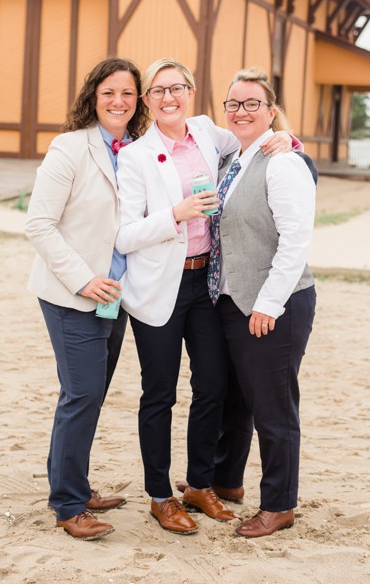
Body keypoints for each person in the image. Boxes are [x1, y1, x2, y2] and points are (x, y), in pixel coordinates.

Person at [114, 58, 294, 535]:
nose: (167, 98)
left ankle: (198, 484)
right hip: (160, 287)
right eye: (157, 91)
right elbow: (125, 234)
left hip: (206, 284)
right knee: (159, 392)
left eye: (176, 88)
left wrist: (288, 140)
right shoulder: (134, 156)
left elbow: (260, 138)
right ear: (147, 100)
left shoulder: (210, 134)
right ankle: (159, 495)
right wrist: (176, 213)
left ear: (190, 92)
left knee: (213, 385)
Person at [24, 57, 151, 540]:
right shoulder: (69, 148)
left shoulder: (138, 150)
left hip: (117, 297)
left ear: (138, 100)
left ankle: (73, 482)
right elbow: (38, 223)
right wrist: (82, 279)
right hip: (71, 292)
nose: (118, 102)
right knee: (80, 395)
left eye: (127, 93)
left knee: (90, 395)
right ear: (93, 99)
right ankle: (68, 505)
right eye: (108, 93)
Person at [208, 67, 316, 538]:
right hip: (232, 300)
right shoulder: (233, 156)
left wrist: (269, 304)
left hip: (278, 303)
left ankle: (278, 505)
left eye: (252, 103)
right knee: (236, 400)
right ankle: (227, 481)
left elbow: (296, 239)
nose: (241, 111)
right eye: (233, 103)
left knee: (273, 406)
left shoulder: (282, 160)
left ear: (271, 112)